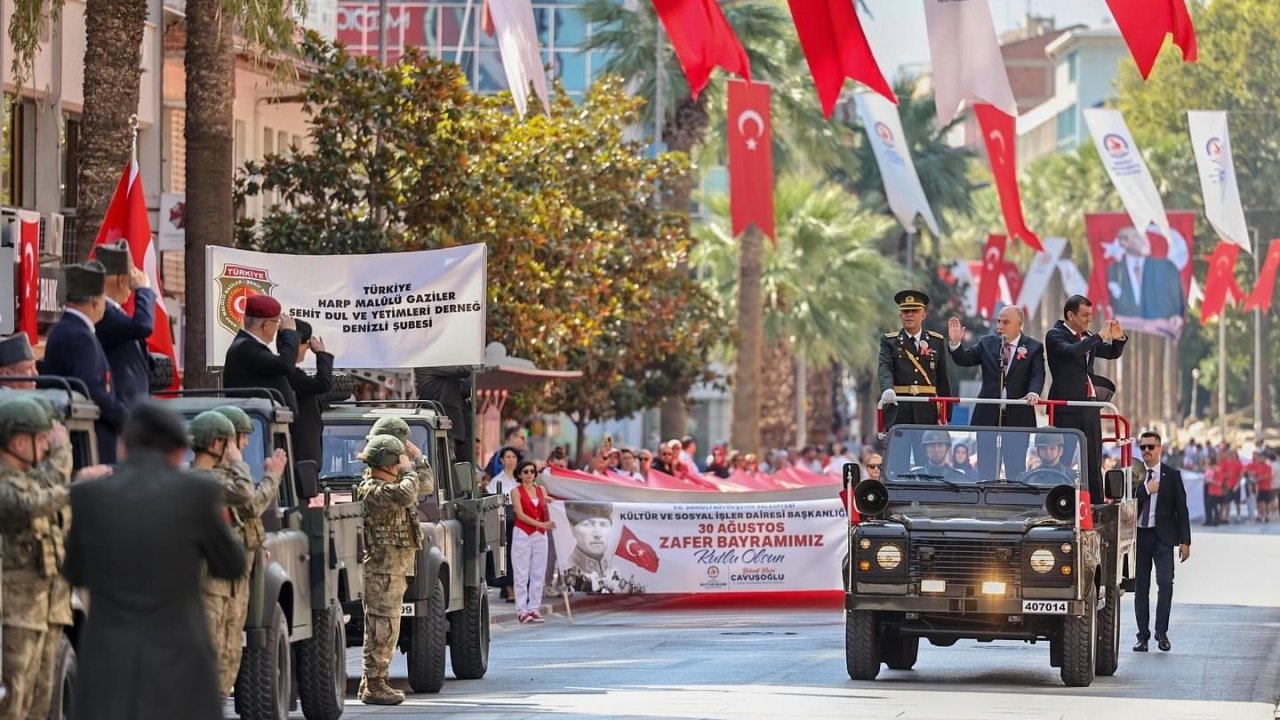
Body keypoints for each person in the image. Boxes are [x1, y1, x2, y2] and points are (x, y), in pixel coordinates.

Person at [63, 402, 245, 720]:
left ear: (122, 448)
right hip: (182, 658)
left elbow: (74, 571)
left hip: (109, 659)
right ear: (177, 453)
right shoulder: (198, 493)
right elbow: (230, 564)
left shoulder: (88, 497)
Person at [188, 410, 285, 699]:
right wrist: (253, 469)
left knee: (228, 652)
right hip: (207, 583)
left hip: (229, 581)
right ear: (216, 444)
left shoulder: (221, 478)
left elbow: (248, 506)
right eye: (232, 442)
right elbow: (246, 497)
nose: (238, 448)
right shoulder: (201, 480)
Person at [0, 396, 72, 720]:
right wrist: (75, 485)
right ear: (17, 442)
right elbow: (35, 502)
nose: (46, 446)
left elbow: (49, 485)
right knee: (13, 703)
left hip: (35, 609)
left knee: (35, 704)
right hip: (13, 614)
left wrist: (62, 454)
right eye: (40, 439)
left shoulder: (27, 478)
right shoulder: (6, 484)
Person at [355, 434, 431, 705]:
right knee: (383, 627)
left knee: (382, 626)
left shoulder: (390, 484)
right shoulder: (374, 490)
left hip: (393, 568)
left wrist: (419, 459)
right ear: (387, 463)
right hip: (382, 569)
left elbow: (424, 486)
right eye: (396, 459)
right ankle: (375, 684)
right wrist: (408, 467)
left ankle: (371, 681)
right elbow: (408, 491)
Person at [39, 261, 128, 464]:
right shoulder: (80, 336)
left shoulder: (64, 329)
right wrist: (124, 417)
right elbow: (90, 390)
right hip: (89, 446)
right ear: (95, 302)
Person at [1045, 295, 1127, 501]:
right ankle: (1058, 503)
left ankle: (1097, 505)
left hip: (1089, 406)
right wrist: (1099, 336)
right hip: (1066, 406)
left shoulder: (1087, 336)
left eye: (1091, 315)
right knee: (1061, 459)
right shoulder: (1055, 335)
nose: (1089, 319)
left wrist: (1118, 338)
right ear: (1070, 315)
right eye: (1085, 315)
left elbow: (1110, 353)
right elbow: (1072, 352)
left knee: (1093, 461)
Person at [948, 306, 1045, 479]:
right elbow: (965, 359)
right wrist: (955, 344)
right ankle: (986, 502)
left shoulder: (1034, 347)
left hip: (1018, 415)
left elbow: (1038, 374)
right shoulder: (987, 343)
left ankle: (1014, 501)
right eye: (998, 321)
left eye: (1005, 322)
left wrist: (1034, 392)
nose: (1000, 326)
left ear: (1019, 324)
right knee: (986, 466)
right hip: (987, 415)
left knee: (1015, 467)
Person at [879, 290, 952, 468]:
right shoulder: (890, 341)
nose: (909, 315)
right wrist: (887, 388)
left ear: (923, 314)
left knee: (926, 463)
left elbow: (942, 378)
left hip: (927, 410)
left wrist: (945, 415)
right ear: (900, 315)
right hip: (899, 409)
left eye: (914, 311)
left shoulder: (936, 341)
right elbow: (884, 367)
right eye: (906, 311)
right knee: (897, 462)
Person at [1132, 432, 1191, 653]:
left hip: (1164, 537)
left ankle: (1161, 631)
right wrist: (1147, 489)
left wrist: (1185, 541)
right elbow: (1124, 501)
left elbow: (1181, 509)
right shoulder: (1134, 474)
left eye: (1151, 447)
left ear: (1160, 449)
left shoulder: (1172, 475)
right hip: (1140, 535)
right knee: (1141, 588)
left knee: (1165, 583)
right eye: (1143, 447)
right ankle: (1142, 636)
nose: (1146, 451)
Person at [93, 240, 157, 407]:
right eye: (131, 281)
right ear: (122, 280)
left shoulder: (113, 312)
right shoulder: (104, 314)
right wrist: (143, 290)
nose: (131, 288)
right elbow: (143, 326)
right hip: (122, 406)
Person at [221, 295, 300, 413]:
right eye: (277, 322)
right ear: (266, 325)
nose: (278, 327)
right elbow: (285, 364)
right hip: (259, 425)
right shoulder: (247, 348)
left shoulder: (246, 346)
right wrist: (290, 333)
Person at [1105, 226, 1186, 335]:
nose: (1145, 241)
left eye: (1145, 237)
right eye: (1137, 237)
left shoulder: (1166, 267)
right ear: (1124, 243)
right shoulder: (1113, 271)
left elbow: (1177, 304)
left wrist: (1176, 317)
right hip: (1124, 339)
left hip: (1160, 338)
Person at [510, 460, 554, 622]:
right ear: (520, 474)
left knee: (538, 572)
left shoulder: (541, 490)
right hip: (523, 533)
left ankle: (534, 607)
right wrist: (542, 524)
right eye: (525, 472)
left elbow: (549, 503)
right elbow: (520, 515)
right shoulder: (516, 491)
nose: (529, 475)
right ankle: (521, 609)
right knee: (521, 573)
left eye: (532, 472)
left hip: (540, 535)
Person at [288, 319, 334, 468]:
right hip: (301, 458)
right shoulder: (290, 375)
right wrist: (321, 354)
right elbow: (323, 384)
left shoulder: (292, 374)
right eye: (305, 345)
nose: (307, 349)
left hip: (304, 459)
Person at [415, 366, 473, 461]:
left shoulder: (445, 374)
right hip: (439, 424)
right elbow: (465, 369)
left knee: (452, 461)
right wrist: (471, 354)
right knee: (444, 461)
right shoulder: (432, 362)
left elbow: (465, 390)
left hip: (447, 425)